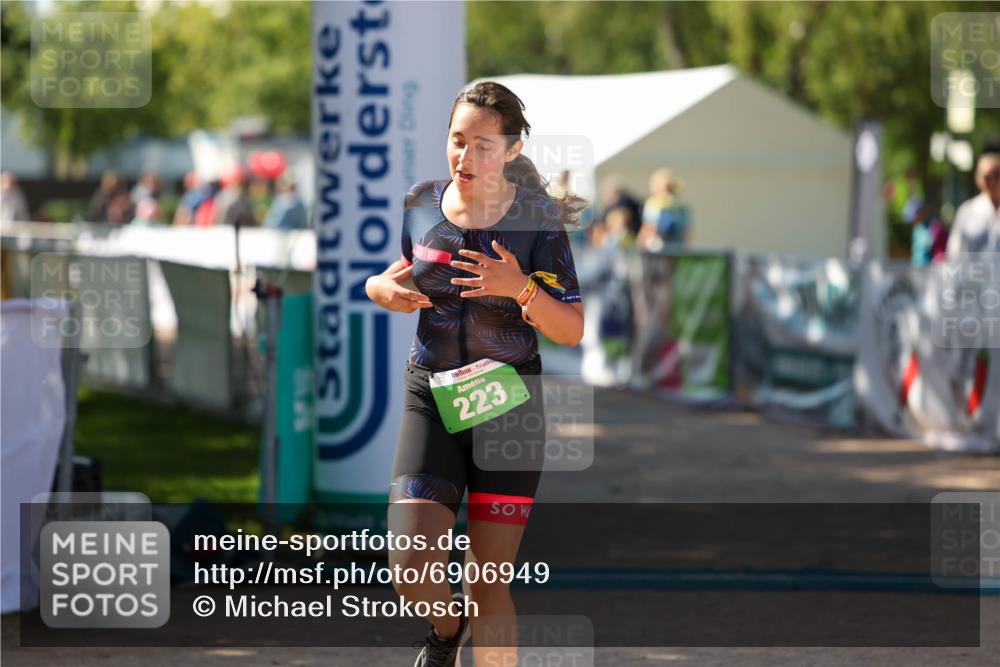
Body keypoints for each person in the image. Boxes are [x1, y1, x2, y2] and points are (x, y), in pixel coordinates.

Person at [365, 80, 585, 667]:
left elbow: (571, 329)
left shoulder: (537, 223)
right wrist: (378, 287)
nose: (466, 158)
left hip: (507, 404)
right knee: (410, 567)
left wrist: (519, 288)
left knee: (488, 583)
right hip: (430, 395)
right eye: (457, 142)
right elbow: (410, 268)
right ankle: (446, 627)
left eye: (483, 145)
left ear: (512, 150)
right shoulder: (420, 201)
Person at [946, 148, 1000, 259]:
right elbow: (955, 252)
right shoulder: (967, 211)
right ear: (978, 179)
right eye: (987, 177)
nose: (993, 181)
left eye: (997, 175)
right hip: (975, 275)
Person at [637, 168, 689, 251]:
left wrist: (639, 244)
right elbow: (686, 232)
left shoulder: (653, 204)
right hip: (676, 247)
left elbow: (649, 228)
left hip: (656, 247)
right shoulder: (681, 206)